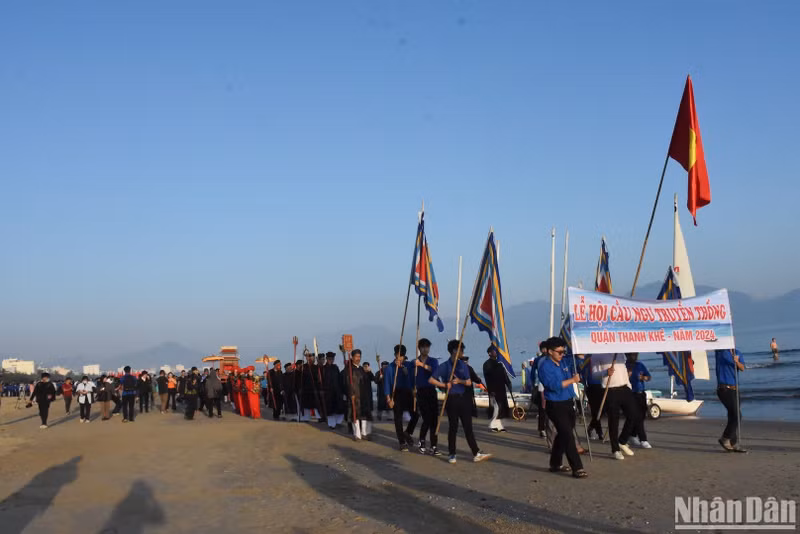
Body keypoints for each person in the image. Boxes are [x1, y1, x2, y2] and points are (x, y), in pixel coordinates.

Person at [429, 340, 491, 464]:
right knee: (453, 427)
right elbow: (431, 380)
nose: (463, 352)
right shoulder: (445, 366)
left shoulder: (463, 365)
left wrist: (459, 381)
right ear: (454, 351)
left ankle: (476, 453)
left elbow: (468, 382)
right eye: (461, 350)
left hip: (464, 399)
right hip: (451, 399)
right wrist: (445, 385)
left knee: (468, 427)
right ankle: (452, 454)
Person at [538, 337, 587, 478]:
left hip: (567, 401)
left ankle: (555, 463)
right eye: (559, 352)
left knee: (563, 433)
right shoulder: (544, 366)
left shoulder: (564, 361)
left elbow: (577, 363)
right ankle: (577, 468)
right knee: (568, 435)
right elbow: (553, 385)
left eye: (563, 351)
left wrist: (580, 354)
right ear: (550, 352)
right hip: (554, 404)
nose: (562, 354)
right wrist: (572, 380)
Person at [590, 353, 639, 460]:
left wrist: (629, 386)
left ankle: (622, 441)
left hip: (625, 388)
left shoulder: (619, 352)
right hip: (610, 390)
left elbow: (624, 370)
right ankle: (615, 449)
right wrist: (605, 372)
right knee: (613, 421)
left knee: (634, 415)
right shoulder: (596, 355)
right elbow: (594, 375)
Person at [407, 338, 440, 455]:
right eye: (423, 347)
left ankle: (434, 445)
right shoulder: (413, 363)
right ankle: (422, 442)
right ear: (419, 348)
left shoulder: (433, 361)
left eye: (427, 347)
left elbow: (435, 371)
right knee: (426, 418)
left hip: (431, 390)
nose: (426, 349)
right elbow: (410, 377)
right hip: (421, 392)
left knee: (435, 420)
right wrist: (412, 389)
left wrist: (422, 365)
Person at [715, 348, 747, 453]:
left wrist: (736, 361)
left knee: (732, 416)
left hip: (735, 389)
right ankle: (725, 438)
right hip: (724, 389)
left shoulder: (737, 352)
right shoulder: (720, 351)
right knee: (737, 415)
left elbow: (742, 368)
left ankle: (733, 444)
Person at [384, 344, 415, 451]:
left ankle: (408, 432)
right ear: (395, 355)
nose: (399, 358)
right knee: (398, 418)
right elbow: (387, 383)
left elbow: (412, 379)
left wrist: (404, 370)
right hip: (396, 393)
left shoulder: (409, 365)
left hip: (408, 392)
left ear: (404, 356)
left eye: (401, 356)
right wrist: (389, 399)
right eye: (397, 355)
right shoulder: (390, 368)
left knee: (415, 414)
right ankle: (402, 442)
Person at [342, 349, 373, 441]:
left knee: (364, 415)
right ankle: (357, 434)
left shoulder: (362, 369)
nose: (358, 358)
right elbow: (346, 383)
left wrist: (369, 372)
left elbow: (370, 380)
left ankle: (364, 433)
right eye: (356, 356)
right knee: (354, 415)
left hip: (363, 396)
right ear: (352, 357)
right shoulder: (348, 370)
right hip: (353, 396)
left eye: (359, 356)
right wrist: (350, 393)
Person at [625, 353, 652, 449]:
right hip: (630, 394)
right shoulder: (624, 366)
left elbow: (649, 377)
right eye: (632, 355)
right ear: (627, 356)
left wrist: (644, 378)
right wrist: (627, 376)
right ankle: (643, 439)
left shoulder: (640, 365)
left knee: (642, 416)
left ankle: (632, 435)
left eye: (636, 355)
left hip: (641, 393)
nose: (635, 357)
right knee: (636, 417)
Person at [483, 345, 512, 432]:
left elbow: (504, 375)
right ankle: (492, 424)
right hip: (493, 389)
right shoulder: (487, 364)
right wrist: (491, 390)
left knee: (502, 407)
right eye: (494, 351)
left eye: (496, 351)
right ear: (489, 353)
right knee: (496, 407)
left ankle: (499, 426)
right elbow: (487, 378)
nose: (496, 352)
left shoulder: (500, 363)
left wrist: (508, 383)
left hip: (501, 388)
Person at [322, 352, 344, 429]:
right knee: (330, 410)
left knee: (339, 408)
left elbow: (339, 378)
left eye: (332, 359)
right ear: (327, 359)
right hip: (328, 392)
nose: (331, 360)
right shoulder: (323, 368)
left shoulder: (336, 368)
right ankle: (331, 424)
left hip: (337, 391)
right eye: (329, 359)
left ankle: (338, 422)